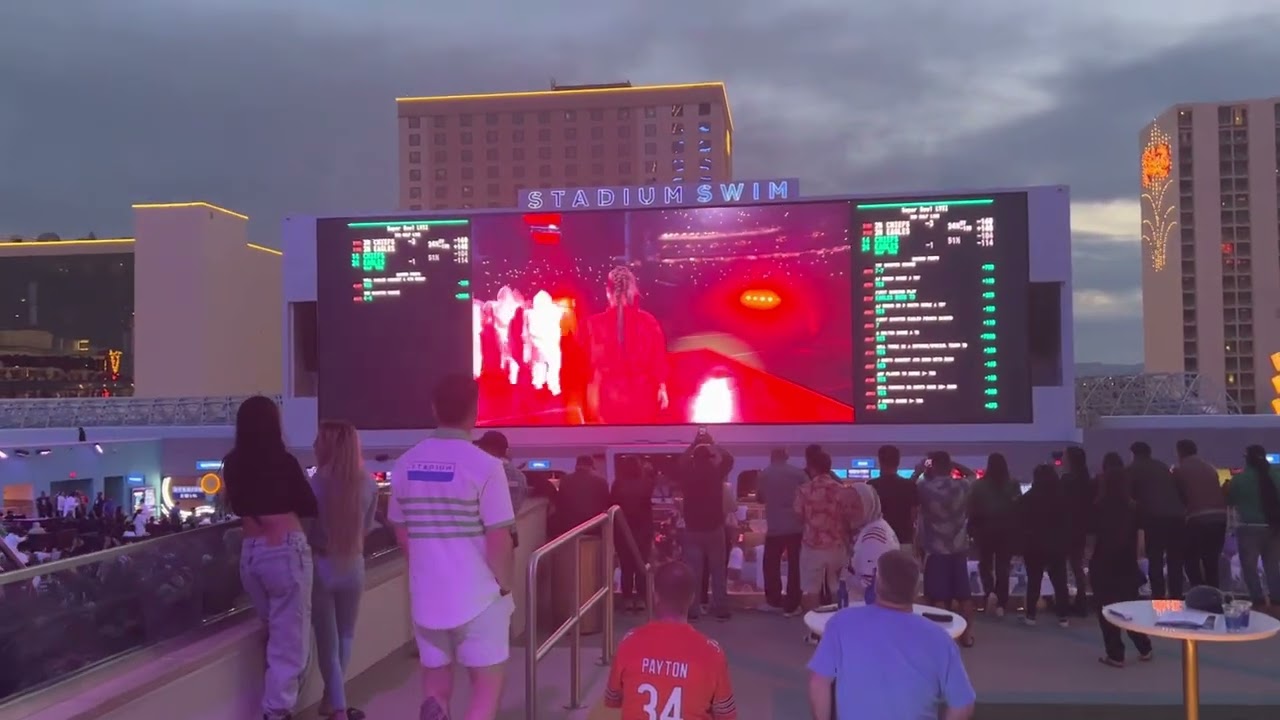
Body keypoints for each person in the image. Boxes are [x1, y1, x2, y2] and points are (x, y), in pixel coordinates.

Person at [389, 375, 516, 720]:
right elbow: (498, 539)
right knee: (485, 692)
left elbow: (401, 533)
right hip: (478, 599)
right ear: (474, 412)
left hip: (427, 598)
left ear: (434, 409)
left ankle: (436, 709)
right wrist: (504, 586)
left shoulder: (404, 465)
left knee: (435, 684)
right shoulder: (487, 467)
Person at [222, 395, 319, 720]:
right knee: (290, 643)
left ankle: (274, 706)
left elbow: (236, 506)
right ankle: (276, 712)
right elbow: (308, 505)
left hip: (250, 555)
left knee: (275, 632)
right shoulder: (283, 461)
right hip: (286, 552)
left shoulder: (232, 464)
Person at [808, 549, 976, 720]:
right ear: (916, 589)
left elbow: (818, 682)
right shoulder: (940, 639)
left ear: (877, 583)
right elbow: (963, 704)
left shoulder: (842, 623)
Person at [603, 561, 737, 719]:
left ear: (655, 594)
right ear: (692, 598)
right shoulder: (713, 653)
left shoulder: (628, 643)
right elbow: (725, 714)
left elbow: (613, 699)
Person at [309, 420, 378, 720]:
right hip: (354, 564)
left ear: (326, 446)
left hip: (322, 565)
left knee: (327, 641)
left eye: (317, 441)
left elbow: (305, 528)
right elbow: (367, 529)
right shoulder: (369, 484)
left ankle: (338, 708)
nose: (313, 445)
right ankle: (331, 701)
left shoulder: (314, 484)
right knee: (345, 636)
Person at [1090, 452, 1153, 668]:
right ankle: (1144, 646)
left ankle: (1115, 654)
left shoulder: (1098, 506)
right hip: (1126, 564)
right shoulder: (1133, 506)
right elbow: (1141, 540)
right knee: (1129, 607)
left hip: (1103, 563)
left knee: (1105, 609)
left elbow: (1092, 538)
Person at [585, 266, 670, 425]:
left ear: (607, 291)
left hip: (609, 401)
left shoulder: (594, 325)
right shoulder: (648, 321)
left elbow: (590, 367)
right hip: (644, 399)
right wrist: (662, 387)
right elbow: (658, 360)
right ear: (633, 290)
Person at [915, 451, 977, 646]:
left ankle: (942, 638)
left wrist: (924, 469)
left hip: (935, 551)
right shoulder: (961, 486)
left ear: (933, 466)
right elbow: (972, 475)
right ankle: (966, 636)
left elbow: (914, 480)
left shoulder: (925, 487)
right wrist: (955, 463)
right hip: (958, 549)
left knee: (938, 597)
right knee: (964, 596)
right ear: (950, 467)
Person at [678, 429, 735, 621]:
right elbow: (729, 459)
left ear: (694, 457)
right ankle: (722, 609)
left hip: (692, 529)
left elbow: (681, 462)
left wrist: (694, 444)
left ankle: (693, 611)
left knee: (694, 572)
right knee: (718, 571)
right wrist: (713, 443)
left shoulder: (687, 475)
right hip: (714, 529)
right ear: (710, 457)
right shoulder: (715, 473)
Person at [794, 450, 856, 613]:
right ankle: (839, 619)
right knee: (837, 586)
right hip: (837, 544)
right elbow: (848, 517)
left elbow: (799, 516)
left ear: (812, 468)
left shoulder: (804, 490)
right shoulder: (841, 490)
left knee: (811, 590)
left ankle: (814, 628)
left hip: (811, 545)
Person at [1128, 441, 1185, 600]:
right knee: (1175, 562)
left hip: (1155, 518)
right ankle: (1177, 598)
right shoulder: (1162, 466)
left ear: (1133, 454)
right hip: (1177, 517)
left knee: (1156, 560)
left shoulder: (1134, 468)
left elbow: (1128, 495)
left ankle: (1159, 600)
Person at [1018, 463, 1072, 627]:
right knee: (1060, 582)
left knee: (1034, 581)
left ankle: (1031, 616)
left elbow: (1020, 522)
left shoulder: (1027, 498)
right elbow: (1068, 522)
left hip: (1034, 545)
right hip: (1056, 545)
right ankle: (1063, 616)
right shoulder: (1062, 498)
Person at [1227, 445, 1280, 609]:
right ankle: (1277, 601)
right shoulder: (1277, 475)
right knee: (1272, 566)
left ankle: (1258, 602)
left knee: (1249, 567)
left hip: (1249, 528)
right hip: (1274, 527)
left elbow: (1230, 500)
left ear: (1247, 459)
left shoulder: (1240, 479)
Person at [968, 452, 1021, 617]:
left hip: (984, 531)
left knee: (985, 564)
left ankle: (989, 592)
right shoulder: (1012, 484)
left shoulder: (978, 486)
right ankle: (1001, 603)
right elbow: (1018, 508)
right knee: (1003, 567)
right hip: (1006, 531)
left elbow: (971, 508)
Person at [755, 447, 807, 616]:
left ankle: (774, 601)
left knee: (771, 564)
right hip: (796, 526)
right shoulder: (798, 474)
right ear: (787, 457)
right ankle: (793, 604)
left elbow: (760, 498)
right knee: (795, 566)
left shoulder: (764, 475)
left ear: (771, 457)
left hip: (775, 526)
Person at [1172, 439, 1227, 589]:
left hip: (1197, 518)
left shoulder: (1179, 470)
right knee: (1211, 561)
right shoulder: (1210, 469)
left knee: (1190, 558)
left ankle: (1199, 591)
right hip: (1220, 518)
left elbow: (1178, 496)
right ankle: (1215, 595)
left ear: (1180, 452)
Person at [611, 455, 656, 612]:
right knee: (641, 564)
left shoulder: (618, 485)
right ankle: (642, 599)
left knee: (626, 566)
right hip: (643, 530)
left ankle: (628, 598)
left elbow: (612, 503)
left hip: (622, 530)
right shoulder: (646, 484)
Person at [847, 482, 900, 599]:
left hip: (869, 609)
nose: (848, 511)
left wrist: (842, 574)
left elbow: (869, 586)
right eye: (845, 506)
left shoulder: (873, 536)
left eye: (855, 506)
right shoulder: (876, 526)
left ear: (868, 506)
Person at [1061, 446, 1094, 615]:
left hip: (1066, 528)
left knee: (1062, 566)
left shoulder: (1067, 480)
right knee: (1077, 566)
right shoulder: (1087, 480)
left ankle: (1064, 601)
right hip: (1081, 528)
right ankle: (1081, 600)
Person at [869, 444, 918, 556]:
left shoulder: (871, 486)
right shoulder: (909, 486)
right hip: (903, 541)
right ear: (898, 462)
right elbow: (913, 515)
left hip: (877, 541)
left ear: (880, 461)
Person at [554, 455, 611, 537]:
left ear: (576, 465)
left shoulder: (565, 480)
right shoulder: (601, 481)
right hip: (594, 526)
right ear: (591, 465)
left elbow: (560, 504)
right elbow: (606, 504)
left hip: (570, 527)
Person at [474, 430, 529, 513]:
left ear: (489, 449)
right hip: (509, 524)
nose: (479, 450)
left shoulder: (483, 473)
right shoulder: (520, 476)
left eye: (481, 447)